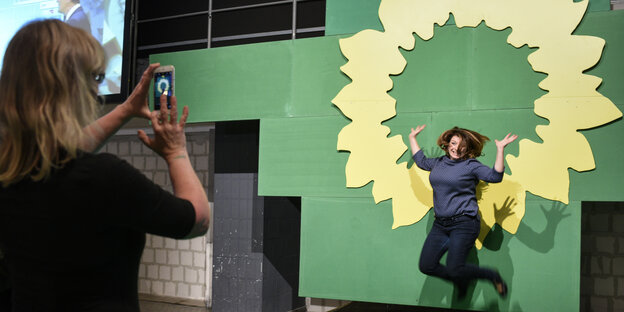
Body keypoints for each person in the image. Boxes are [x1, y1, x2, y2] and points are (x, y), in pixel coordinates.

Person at [0, 19, 210, 311]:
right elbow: (195, 219)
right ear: (72, 89)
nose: (97, 92)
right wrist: (176, 152)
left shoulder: (9, 174)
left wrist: (125, 111)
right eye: (95, 78)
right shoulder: (103, 177)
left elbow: (56, 158)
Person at [408, 125, 517, 297]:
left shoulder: (470, 165)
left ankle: (492, 276)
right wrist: (412, 138)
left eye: (461, 146)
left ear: (467, 149)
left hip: (464, 223)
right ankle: (460, 279)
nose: (456, 148)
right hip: (440, 225)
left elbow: (495, 177)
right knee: (426, 266)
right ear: (447, 143)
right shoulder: (438, 163)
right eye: (453, 143)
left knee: (454, 267)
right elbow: (421, 161)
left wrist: (500, 149)